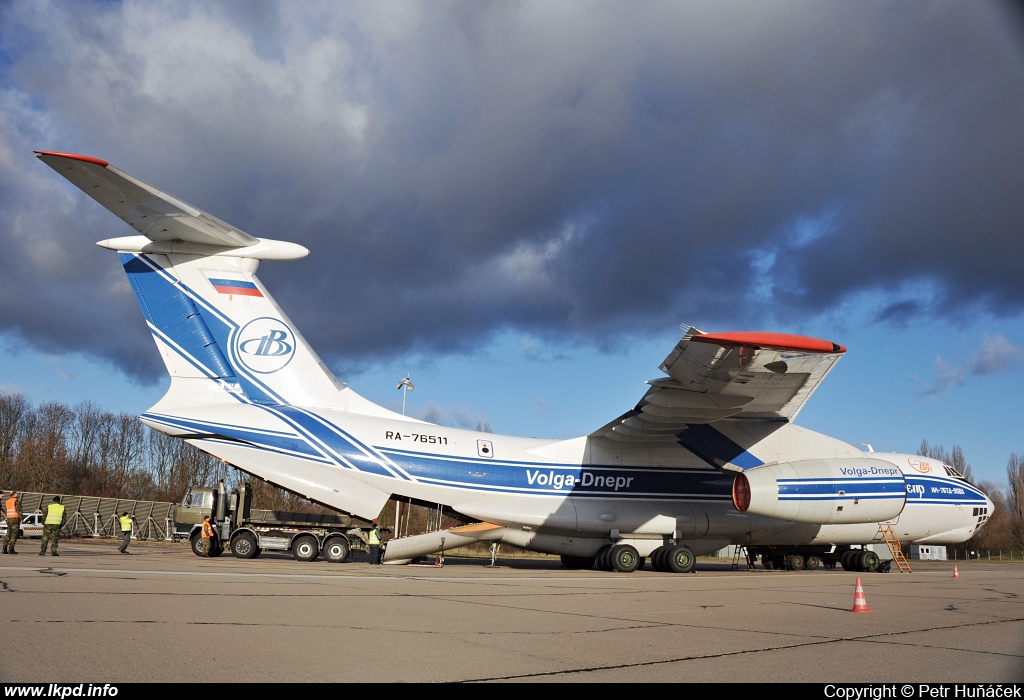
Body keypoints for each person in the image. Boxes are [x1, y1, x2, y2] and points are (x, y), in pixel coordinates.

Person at [4, 489, 21, 555]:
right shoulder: (16, 501)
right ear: (14, 494)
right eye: (16, 493)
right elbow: (19, 511)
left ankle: (4, 548)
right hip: (15, 519)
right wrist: (21, 519)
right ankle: (11, 549)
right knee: (14, 535)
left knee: (8, 534)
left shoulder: (7, 501)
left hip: (9, 518)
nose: (17, 494)